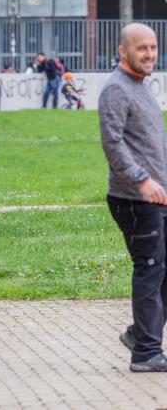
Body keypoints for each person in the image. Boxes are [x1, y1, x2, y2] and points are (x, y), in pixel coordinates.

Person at [100, 23, 167, 373]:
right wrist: (143, 182)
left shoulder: (141, 86)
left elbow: (152, 144)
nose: (149, 54)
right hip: (135, 199)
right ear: (123, 50)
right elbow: (113, 144)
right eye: (142, 48)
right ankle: (146, 354)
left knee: (162, 270)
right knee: (150, 270)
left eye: (153, 47)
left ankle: (138, 335)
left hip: (159, 197)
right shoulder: (116, 89)